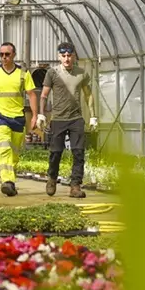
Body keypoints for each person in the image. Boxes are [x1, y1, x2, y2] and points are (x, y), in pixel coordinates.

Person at [36, 41, 97, 198]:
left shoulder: (81, 73)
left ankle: (75, 186)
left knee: (78, 153)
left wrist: (93, 116)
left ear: (74, 56)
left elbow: (88, 95)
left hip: (76, 118)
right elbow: (43, 95)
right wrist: (41, 114)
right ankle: (51, 178)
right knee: (56, 152)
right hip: (58, 118)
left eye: (69, 55)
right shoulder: (52, 73)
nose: (67, 59)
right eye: (63, 56)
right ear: (59, 57)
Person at [0, 42, 39, 197]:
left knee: (14, 153)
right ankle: (6, 181)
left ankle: (10, 183)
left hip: (18, 118)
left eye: (7, 54)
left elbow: (32, 95)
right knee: (4, 148)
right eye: (1, 54)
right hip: (0, 116)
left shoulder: (23, 73)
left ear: (14, 55)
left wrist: (35, 116)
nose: (4, 57)